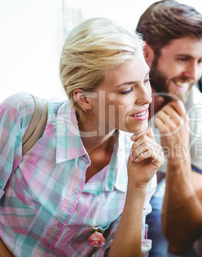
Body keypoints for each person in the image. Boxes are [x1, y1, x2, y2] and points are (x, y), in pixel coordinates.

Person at [0, 17, 164, 256]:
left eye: (146, 79)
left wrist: (138, 188)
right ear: (84, 98)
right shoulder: (23, 117)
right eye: (127, 89)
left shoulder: (140, 163)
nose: (147, 98)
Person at [135, 0, 202, 256]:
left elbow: (182, 240)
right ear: (146, 54)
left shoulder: (200, 115)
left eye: (200, 61)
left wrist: (179, 153)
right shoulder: (110, 93)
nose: (194, 74)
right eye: (183, 59)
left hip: (152, 197)